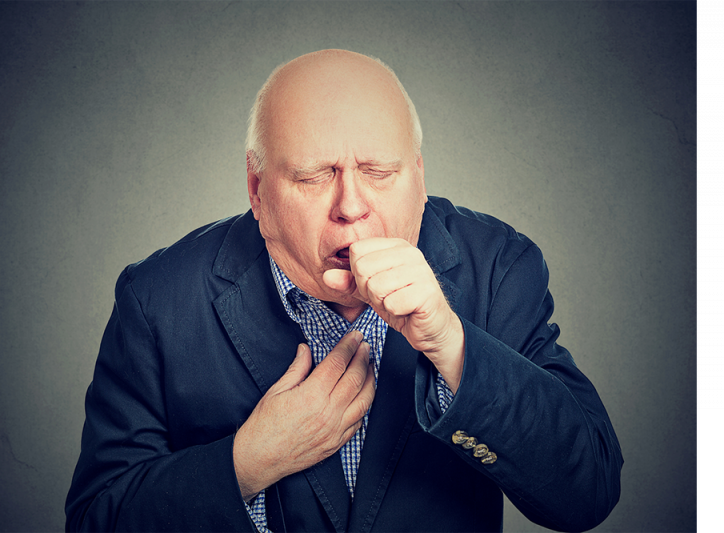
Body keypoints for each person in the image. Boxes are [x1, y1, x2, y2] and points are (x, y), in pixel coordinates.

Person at [66, 49, 622, 533]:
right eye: (313, 176)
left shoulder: (498, 267)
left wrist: (452, 345)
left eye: (379, 172)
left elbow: (588, 490)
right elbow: (96, 520)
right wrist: (248, 462)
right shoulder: (157, 300)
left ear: (420, 178)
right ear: (258, 191)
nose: (351, 206)